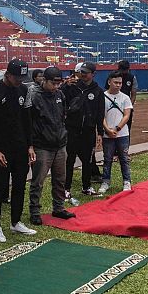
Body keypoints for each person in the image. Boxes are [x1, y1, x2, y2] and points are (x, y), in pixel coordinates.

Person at [0, 59, 37, 242]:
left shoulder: (24, 90)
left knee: (20, 185)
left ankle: (16, 222)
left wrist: (30, 145)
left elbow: (27, 119)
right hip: (2, 148)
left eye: (23, 77)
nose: (20, 81)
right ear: (8, 75)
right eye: (17, 77)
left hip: (20, 147)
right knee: (0, 186)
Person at [27, 67, 75, 225]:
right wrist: (31, 145)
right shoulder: (34, 96)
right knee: (38, 181)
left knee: (60, 178)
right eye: (53, 83)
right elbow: (28, 122)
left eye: (58, 83)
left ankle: (59, 208)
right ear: (44, 80)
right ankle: (34, 211)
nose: (56, 87)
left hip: (60, 144)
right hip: (42, 146)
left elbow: (63, 117)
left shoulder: (60, 94)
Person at [62, 61, 105, 197]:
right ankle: (66, 188)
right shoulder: (72, 87)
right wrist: (65, 86)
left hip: (88, 131)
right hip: (72, 130)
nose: (83, 75)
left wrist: (100, 132)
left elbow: (100, 113)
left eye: (86, 72)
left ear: (93, 74)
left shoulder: (98, 91)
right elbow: (62, 100)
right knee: (69, 160)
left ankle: (86, 187)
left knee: (88, 160)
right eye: (82, 72)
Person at [99, 70, 134, 193]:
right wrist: (107, 129)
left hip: (122, 133)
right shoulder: (102, 97)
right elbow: (101, 116)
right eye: (116, 82)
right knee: (107, 158)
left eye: (120, 83)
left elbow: (127, 115)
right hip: (107, 134)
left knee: (124, 158)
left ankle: (127, 181)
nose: (118, 85)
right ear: (109, 82)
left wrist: (117, 128)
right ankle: (105, 181)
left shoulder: (125, 97)